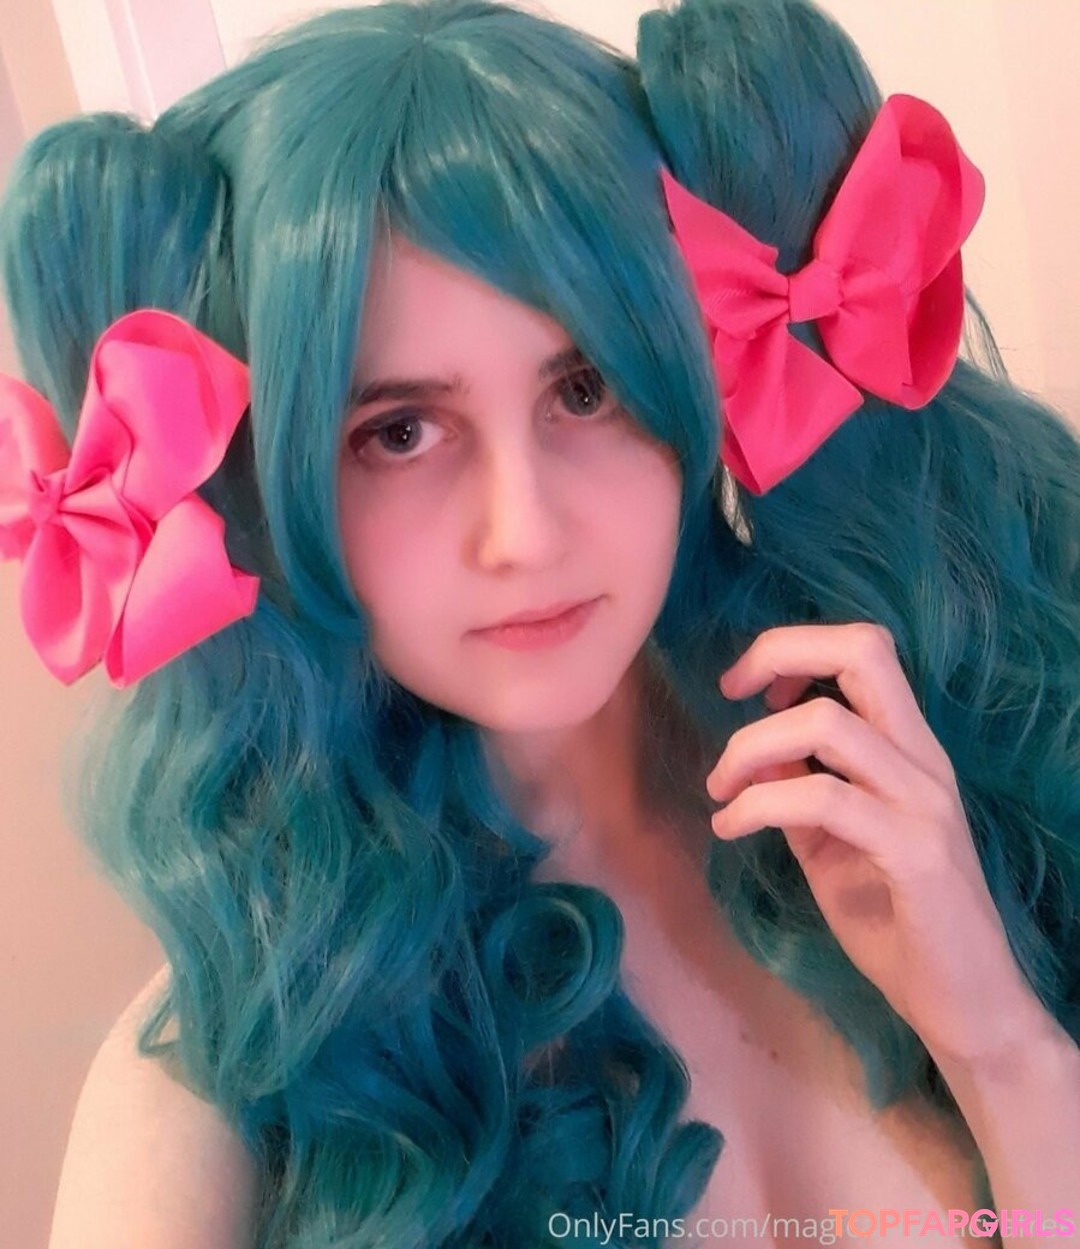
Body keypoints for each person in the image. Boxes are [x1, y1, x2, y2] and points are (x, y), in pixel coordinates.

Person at [1, 0, 1078, 1245]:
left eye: (586, 387)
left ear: (703, 363)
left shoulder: (974, 786)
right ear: (249, 478)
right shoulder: (229, 1087)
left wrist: (1004, 1044)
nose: (525, 530)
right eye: (399, 431)